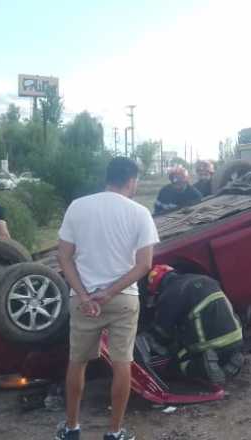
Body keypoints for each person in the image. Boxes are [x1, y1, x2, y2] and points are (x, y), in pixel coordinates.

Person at [55, 158, 159, 440]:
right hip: (123, 299)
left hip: (83, 301)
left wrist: (85, 294)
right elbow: (144, 264)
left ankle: (72, 428)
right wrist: (110, 292)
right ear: (131, 181)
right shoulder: (140, 213)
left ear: (108, 177)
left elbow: (63, 256)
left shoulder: (78, 207)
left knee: (77, 363)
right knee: (122, 363)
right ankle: (114, 432)